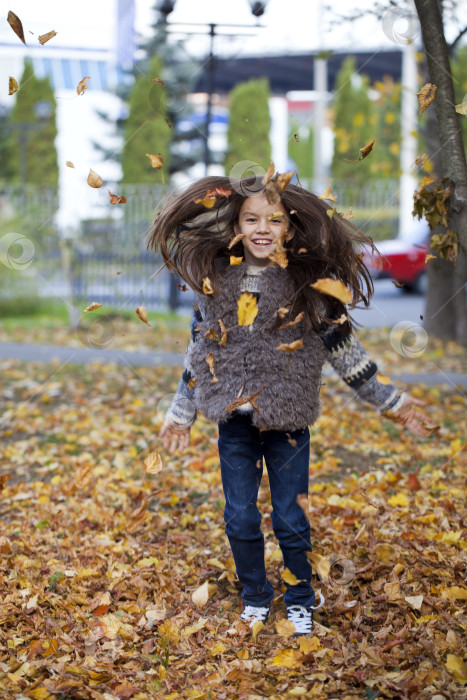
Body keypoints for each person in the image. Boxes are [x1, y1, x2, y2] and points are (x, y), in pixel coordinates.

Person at [147, 172, 428, 636]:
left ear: (290, 228)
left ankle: (300, 596)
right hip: (233, 423)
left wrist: (390, 401)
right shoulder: (216, 283)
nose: (262, 227)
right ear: (235, 225)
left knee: (289, 517)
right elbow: (200, 355)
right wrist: (181, 412)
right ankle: (255, 595)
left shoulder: (309, 285)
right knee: (238, 516)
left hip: (289, 422)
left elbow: (346, 354)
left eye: (273, 219)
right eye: (251, 218)